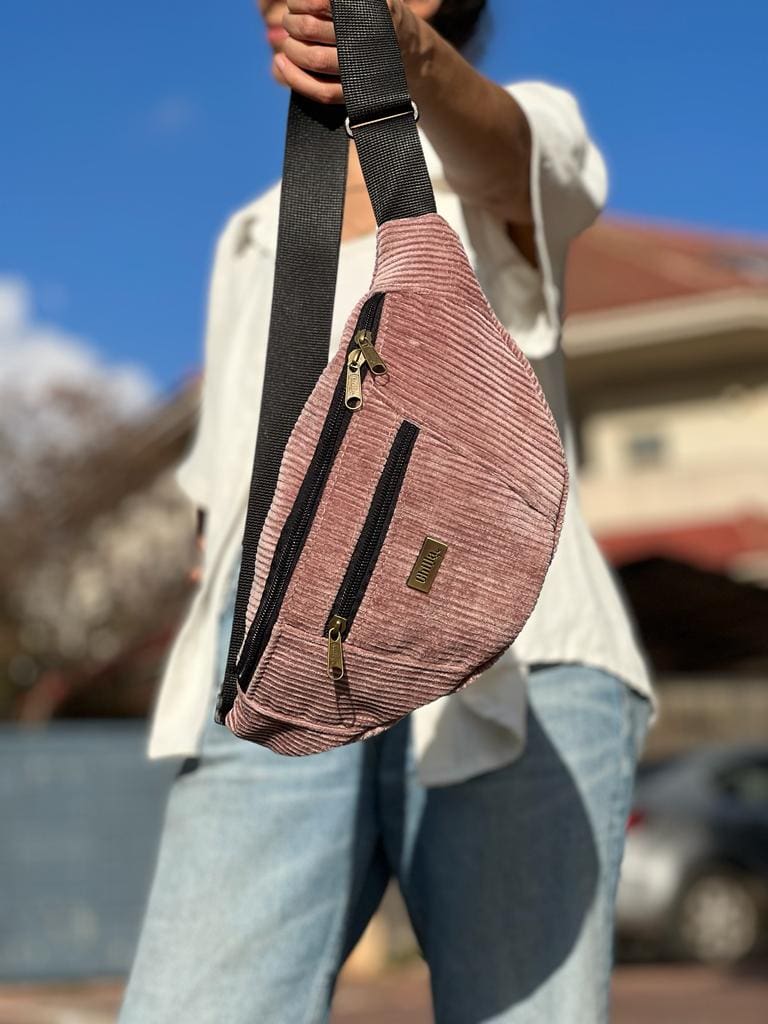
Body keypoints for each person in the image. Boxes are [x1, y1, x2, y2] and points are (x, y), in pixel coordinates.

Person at [120, 2, 657, 1022]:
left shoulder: (508, 133)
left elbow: (517, 160)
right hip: (274, 643)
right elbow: (226, 468)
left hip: (519, 644)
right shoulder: (252, 233)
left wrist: (394, 51)